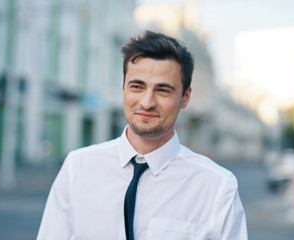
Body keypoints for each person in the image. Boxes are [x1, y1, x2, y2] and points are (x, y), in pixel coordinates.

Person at [37, 30, 247, 240]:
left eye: (163, 90)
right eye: (137, 86)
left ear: (185, 97)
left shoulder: (217, 187)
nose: (147, 102)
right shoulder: (78, 167)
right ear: (123, 88)